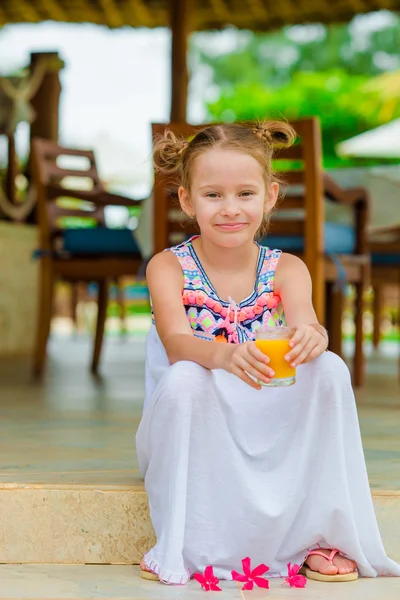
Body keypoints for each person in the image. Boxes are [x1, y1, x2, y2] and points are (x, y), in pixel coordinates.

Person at [135, 122, 400, 585]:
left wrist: (313, 335)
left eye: (245, 193)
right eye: (213, 195)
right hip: (194, 419)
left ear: (270, 197)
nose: (230, 209)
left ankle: (324, 534)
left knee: (330, 368)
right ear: (186, 200)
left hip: (268, 417)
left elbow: (305, 323)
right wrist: (222, 355)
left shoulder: (288, 269)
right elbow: (177, 344)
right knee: (186, 378)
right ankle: (186, 542)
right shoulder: (168, 265)